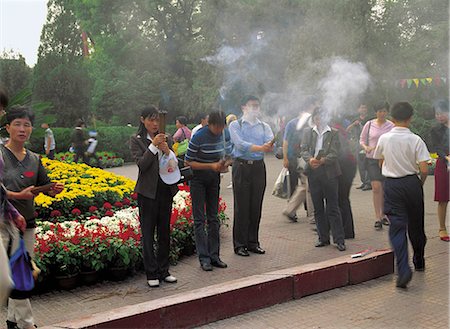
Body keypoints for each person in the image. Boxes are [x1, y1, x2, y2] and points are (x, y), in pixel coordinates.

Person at [1, 106, 64, 329]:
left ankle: (11, 320)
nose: (22, 129)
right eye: (17, 124)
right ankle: (27, 324)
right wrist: (18, 194)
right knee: (19, 276)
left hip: (27, 223)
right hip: (5, 224)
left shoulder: (35, 159)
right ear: (7, 127)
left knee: (21, 273)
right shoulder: (0, 155)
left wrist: (51, 189)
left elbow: (41, 185)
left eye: (26, 124)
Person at [373, 102, 430, 288]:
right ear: (410, 118)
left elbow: (380, 162)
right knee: (416, 224)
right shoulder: (416, 140)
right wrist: (418, 183)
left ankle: (403, 270)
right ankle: (419, 259)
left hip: (392, 185)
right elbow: (423, 168)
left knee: (397, 227)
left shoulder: (384, 139)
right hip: (412, 184)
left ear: (392, 118)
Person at [129, 106, 179, 288]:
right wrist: (153, 146)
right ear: (143, 120)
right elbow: (142, 165)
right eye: (151, 120)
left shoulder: (168, 138)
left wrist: (167, 150)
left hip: (165, 190)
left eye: (157, 120)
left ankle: (164, 270)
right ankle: (151, 272)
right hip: (147, 193)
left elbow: (174, 163)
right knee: (148, 233)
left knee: (164, 231)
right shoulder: (137, 140)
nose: (155, 123)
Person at [185, 111, 233, 271]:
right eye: (216, 127)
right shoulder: (199, 136)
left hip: (214, 178)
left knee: (213, 218)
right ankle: (203, 258)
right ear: (209, 124)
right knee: (199, 219)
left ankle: (215, 255)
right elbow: (188, 161)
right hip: (198, 180)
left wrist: (225, 163)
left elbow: (230, 154)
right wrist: (210, 166)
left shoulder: (224, 135)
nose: (219, 130)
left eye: (222, 127)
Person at [229, 95, 274, 257]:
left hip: (258, 168)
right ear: (243, 107)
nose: (255, 109)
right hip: (241, 166)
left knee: (256, 206)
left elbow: (269, 141)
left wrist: (269, 145)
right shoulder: (236, 125)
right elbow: (240, 145)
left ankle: (253, 242)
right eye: (251, 106)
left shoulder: (264, 126)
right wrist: (261, 147)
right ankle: (240, 244)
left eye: (257, 106)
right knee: (242, 207)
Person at [300, 107, 346, 251]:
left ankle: (339, 240)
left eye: (322, 116)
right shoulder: (308, 132)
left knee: (333, 207)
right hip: (313, 172)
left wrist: (323, 160)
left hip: (329, 173)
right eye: (317, 117)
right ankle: (323, 238)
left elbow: (335, 152)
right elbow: (303, 150)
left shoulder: (333, 133)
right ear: (314, 118)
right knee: (318, 208)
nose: (319, 119)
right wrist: (310, 159)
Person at [282, 96, 318, 222]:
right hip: (302, 159)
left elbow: (285, 142)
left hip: (296, 158)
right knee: (308, 185)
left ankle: (291, 210)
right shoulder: (309, 122)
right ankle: (313, 215)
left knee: (303, 185)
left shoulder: (293, 122)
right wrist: (285, 158)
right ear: (310, 106)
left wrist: (286, 158)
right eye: (315, 105)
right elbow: (285, 142)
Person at [359, 102, 394, 230]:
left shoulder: (391, 125)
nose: (382, 113)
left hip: (386, 160)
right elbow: (362, 139)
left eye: (384, 111)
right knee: (376, 187)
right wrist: (365, 147)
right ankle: (377, 217)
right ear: (376, 112)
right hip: (372, 159)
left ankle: (385, 214)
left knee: (385, 187)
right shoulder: (369, 125)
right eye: (380, 111)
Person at [331, 117, 357, 239]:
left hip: (344, 167)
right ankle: (344, 230)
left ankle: (346, 231)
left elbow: (340, 152)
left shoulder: (334, 130)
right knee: (342, 198)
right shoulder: (339, 129)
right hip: (348, 166)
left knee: (341, 198)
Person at [430, 99, 450, 242]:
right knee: (443, 197)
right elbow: (437, 147)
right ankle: (442, 228)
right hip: (443, 164)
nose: (439, 116)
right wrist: (447, 158)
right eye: (437, 114)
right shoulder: (435, 129)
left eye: (441, 113)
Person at [346, 104, 371, 190]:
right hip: (358, 143)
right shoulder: (355, 120)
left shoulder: (370, 119)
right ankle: (363, 181)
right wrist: (354, 124)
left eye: (365, 107)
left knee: (367, 162)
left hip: (368, 143)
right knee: (360, 164)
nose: (363, 109)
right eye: (361, 108)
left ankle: (368, 182)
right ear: (358, 109)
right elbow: (347, 130)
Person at [225, 114, 237, 189]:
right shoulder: (237, 128)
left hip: (233, 153)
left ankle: (234, 182)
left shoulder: (230, 130)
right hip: (236, 152)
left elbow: (229, 142)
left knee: (235, 169)